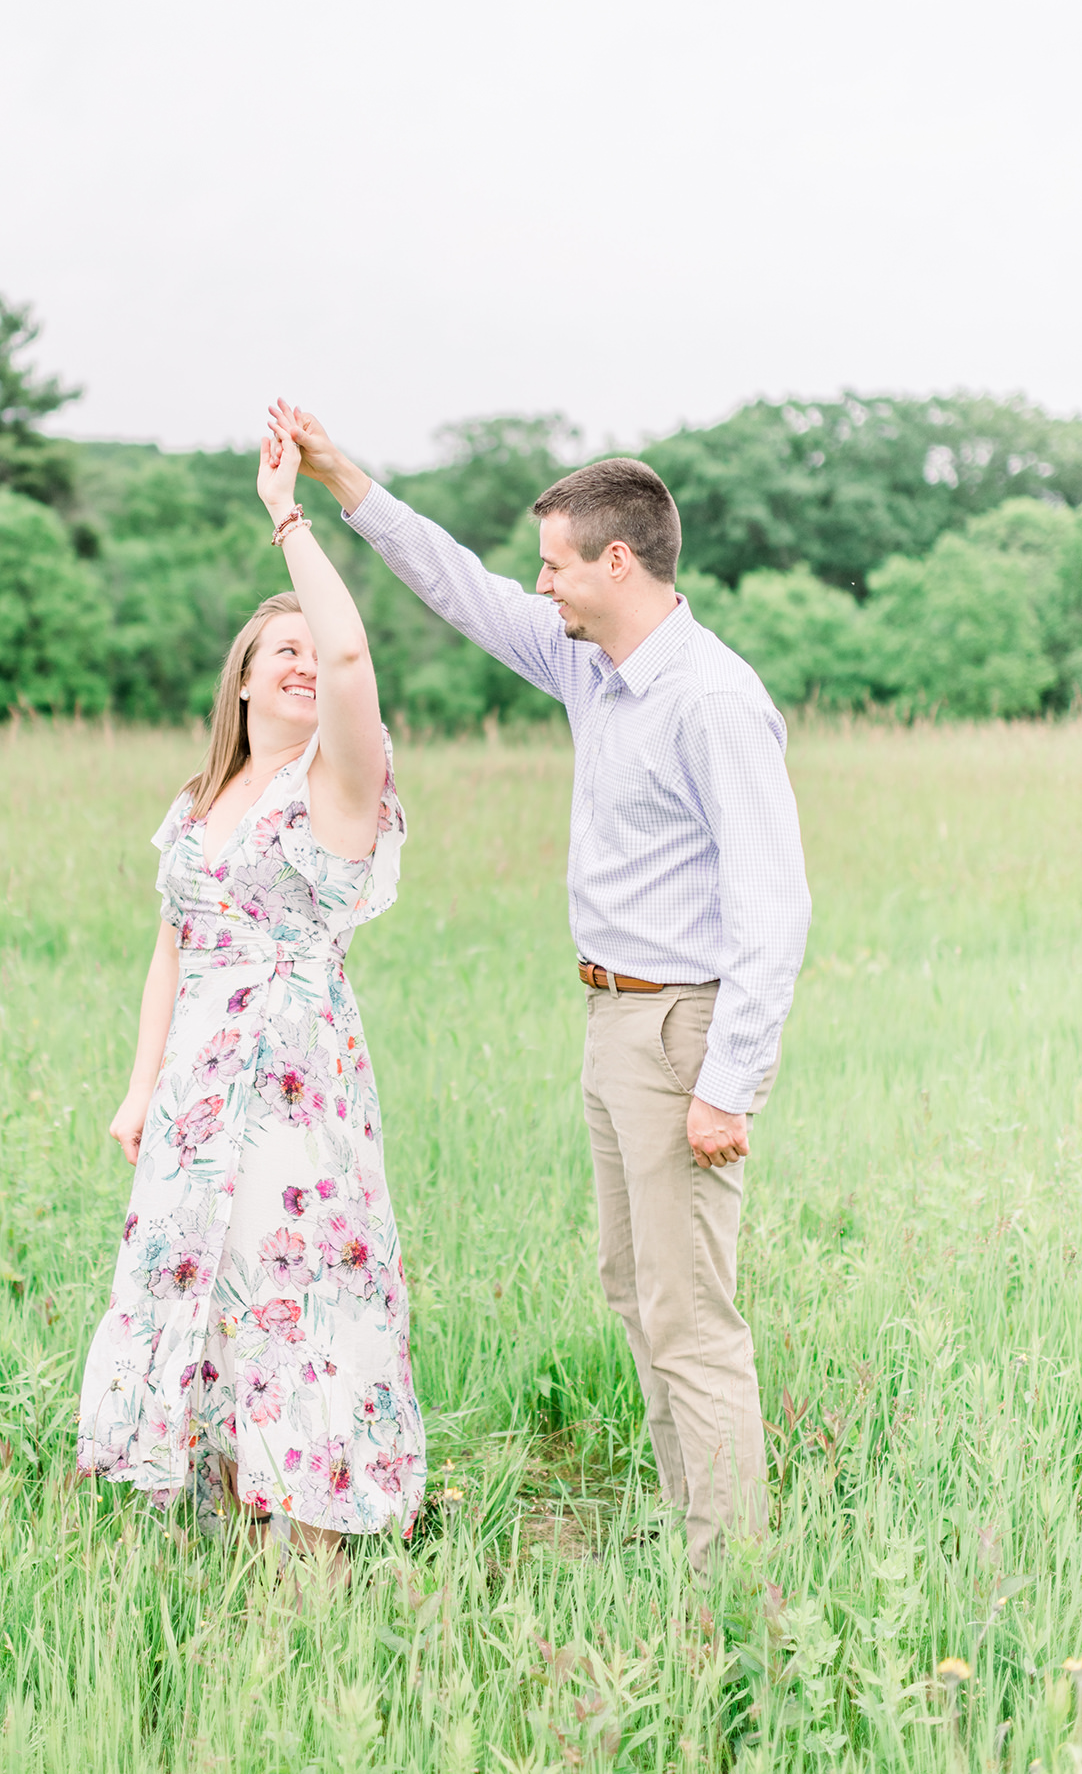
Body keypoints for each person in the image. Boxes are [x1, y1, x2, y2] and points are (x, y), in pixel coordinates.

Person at [267, 397, 811, 1572]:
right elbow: (458, 585)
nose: (541, 585)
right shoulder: (594, 670)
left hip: (681, 1029)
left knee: (689, 1320)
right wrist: (343, 482)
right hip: (613, 1018)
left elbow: (776, 908)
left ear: (618, 561)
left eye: (557, 565)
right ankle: (694, 1537)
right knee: (635, 1293)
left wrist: (729, 1084)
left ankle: (731, 1584)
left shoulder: (710, 698)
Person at [76, 427, 426, 1572]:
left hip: (292, 1075)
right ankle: (230, 1513)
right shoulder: (197, 802)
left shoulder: (335, 782)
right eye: (273, 648)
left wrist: (288, 519)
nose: (296, 661)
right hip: (192, 1086)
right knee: (205, 1281)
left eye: (303, 650)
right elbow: (169, 953)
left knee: (299, 1279)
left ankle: (315, 1534)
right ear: (238, 678)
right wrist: (139, 1092)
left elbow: (356, 660)